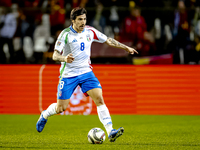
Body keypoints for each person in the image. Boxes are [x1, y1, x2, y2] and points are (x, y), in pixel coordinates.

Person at [36, 7, 138, 142]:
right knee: (61, 108)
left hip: (86, 72)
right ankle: (45, 115)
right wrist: (64, 58)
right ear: (72, 20)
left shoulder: (90, 31)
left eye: (84, 19)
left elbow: (108, 40)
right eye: (79, 20)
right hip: (68, 75)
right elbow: (55, 55)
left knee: (99, 99)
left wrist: (126, 48)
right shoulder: (65, 34)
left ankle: (110, 131)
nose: (83, 22)